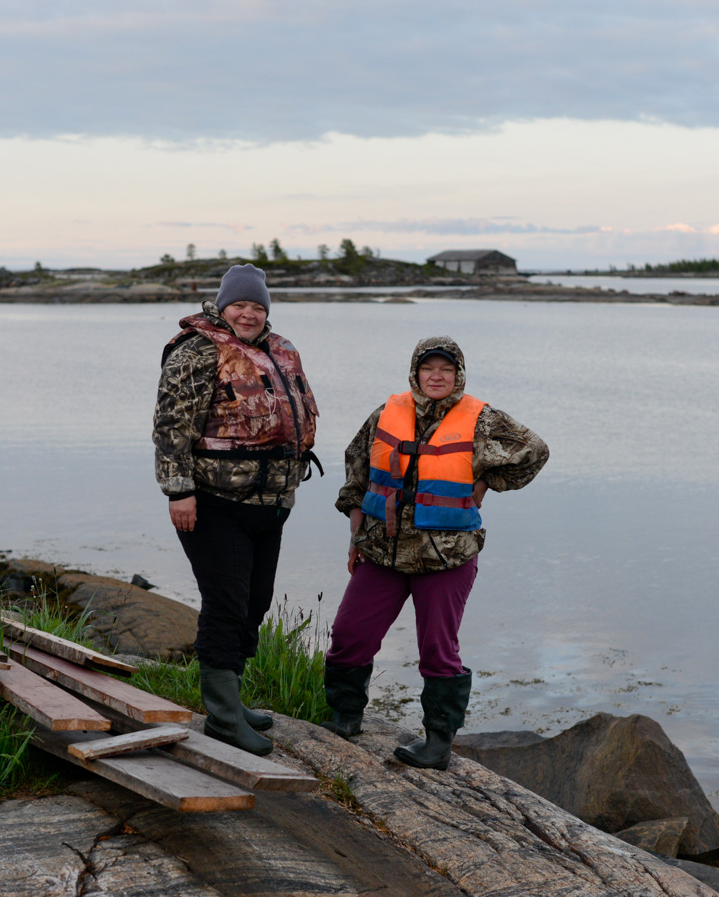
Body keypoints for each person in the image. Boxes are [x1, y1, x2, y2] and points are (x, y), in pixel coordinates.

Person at [321, 336, 547, 769]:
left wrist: (487, 482)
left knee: (438, 650)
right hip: (382, 551)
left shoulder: (482, 420)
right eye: (429, 368)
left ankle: (438, 744)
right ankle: (345, 718)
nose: (437, 376)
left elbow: (534, 451)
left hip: (446, 556)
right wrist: (355, 532)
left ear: (458, 374)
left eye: (446, 369)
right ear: (416, 372)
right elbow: (356, 467)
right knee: (349, 635)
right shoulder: (386, 413)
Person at [153, 263, 320, 756]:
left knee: (255, 603)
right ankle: (223, 718)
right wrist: (178, 491)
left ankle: (233, 699)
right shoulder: (196, 351)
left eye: (256, 306)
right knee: (226, 604)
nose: (248, 314)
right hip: (214, 503)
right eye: (239, 305)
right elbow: (171, 428)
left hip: (271, 504)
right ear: (222, 306)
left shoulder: (280, 349)